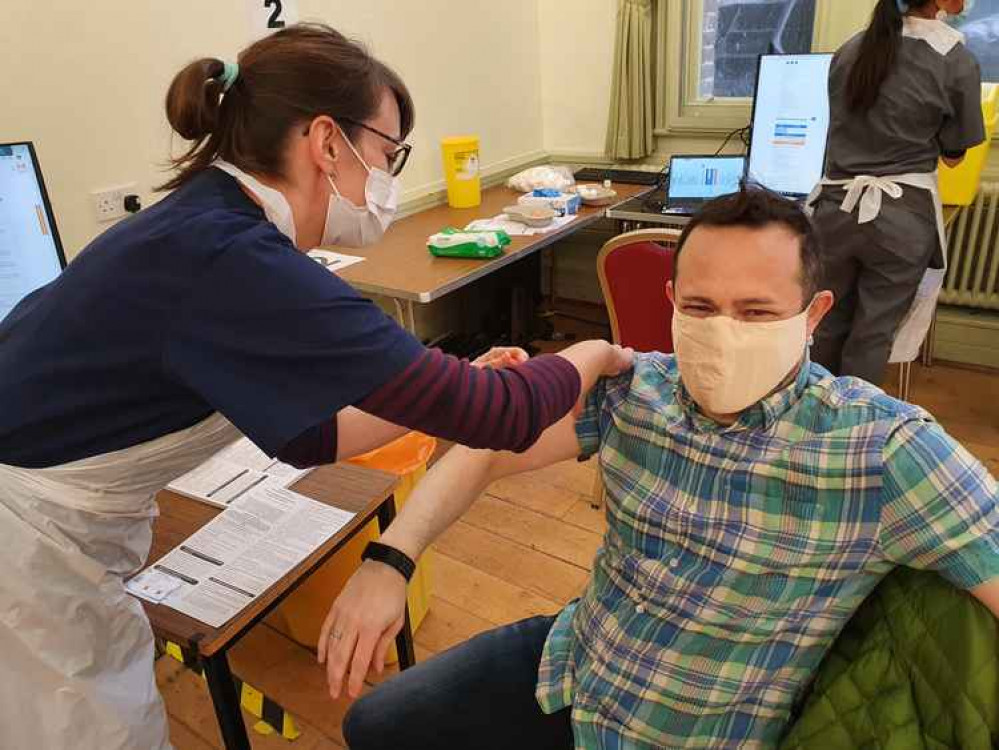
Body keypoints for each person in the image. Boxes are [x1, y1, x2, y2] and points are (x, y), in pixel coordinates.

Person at [0, 23, 632, 750]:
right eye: (388, 154)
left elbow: (307, 432)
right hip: (23, 538)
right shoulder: (233, 258)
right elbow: (500, 415)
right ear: (328, 142)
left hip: (57, 507)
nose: (389, 179)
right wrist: (591, 352)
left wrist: (441, 387)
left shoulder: (207, 224)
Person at [325, 187, 999, 749]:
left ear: (811, 315)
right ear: (671, 299)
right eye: (700, 308)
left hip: (690, 729)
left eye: (756, 312)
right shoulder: (636, 389)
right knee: (377, 725)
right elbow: (490, 445)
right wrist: (393, 557)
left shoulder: (881, 448)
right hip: (578, 664)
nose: (723, 331)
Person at [809, 0, 985, 385]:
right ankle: (852, 433)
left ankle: (808, 423)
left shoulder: (850, 50)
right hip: (900, 221)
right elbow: (955, 155)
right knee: (872, 334)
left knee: (824, 324)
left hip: (834, 212)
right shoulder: (955, 60)